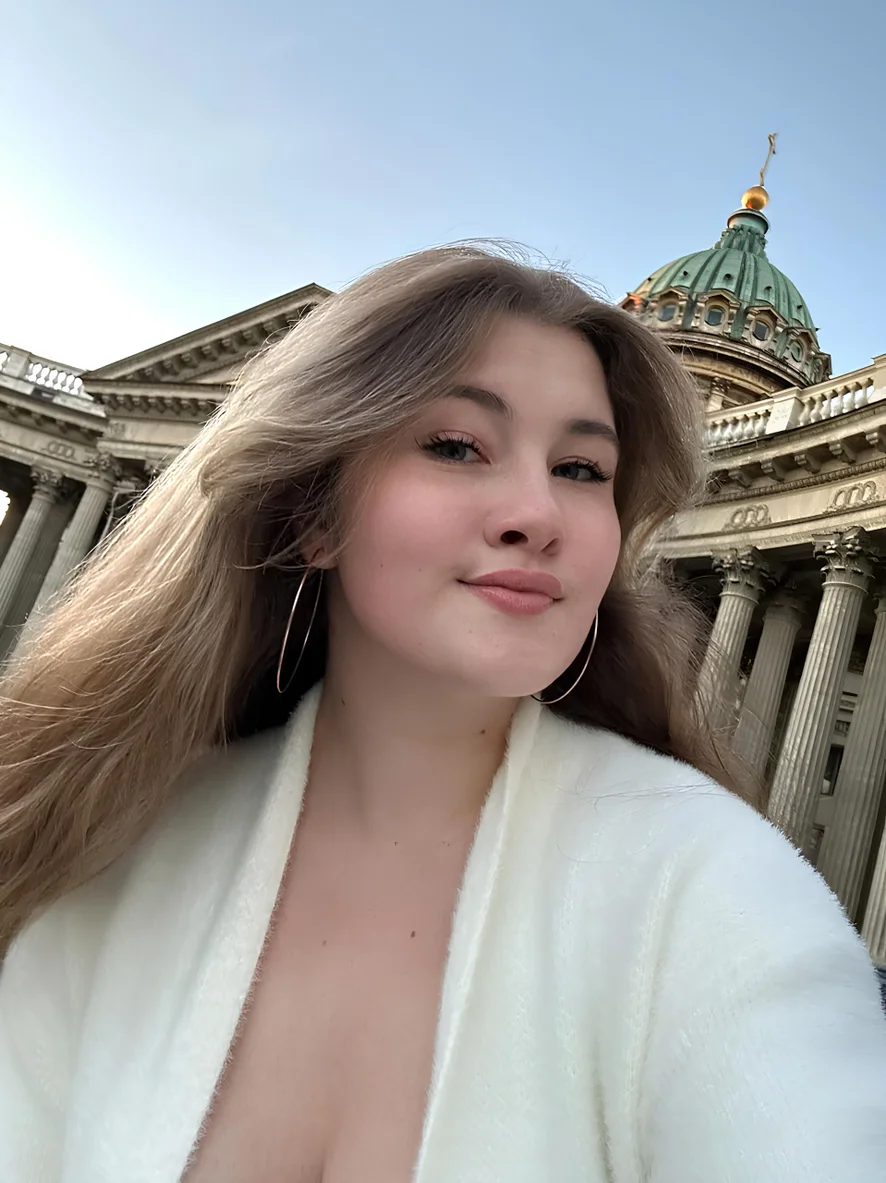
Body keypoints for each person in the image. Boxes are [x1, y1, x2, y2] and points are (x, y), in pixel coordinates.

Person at [0, 245, 884, 1183]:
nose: (538, 512)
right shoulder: (113, 848)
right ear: (313, 511)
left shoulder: (721, 899)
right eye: (457, 446)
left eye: (582, 467)